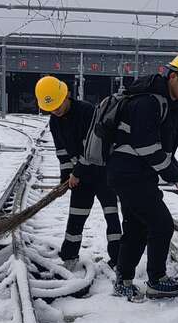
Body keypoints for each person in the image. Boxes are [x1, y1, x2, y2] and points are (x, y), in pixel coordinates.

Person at [107, 49, 178, 300]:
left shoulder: (165, 102)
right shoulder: (149, 102)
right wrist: (172, 175)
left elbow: (162, 149)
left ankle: (124, 280)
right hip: (130, 174)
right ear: (174, 76)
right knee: (161, 224)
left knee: (137, 227)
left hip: (133, 173)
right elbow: (146, 146)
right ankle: (157, 280)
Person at [35, 76, 122, 270]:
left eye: (58, 105)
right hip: (81, 176)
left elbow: (93, 149)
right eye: (51, 108)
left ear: (66, 95)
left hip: (104, 172)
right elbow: (62, 152)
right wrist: (65, 179)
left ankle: (118, 259)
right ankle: (69, 256)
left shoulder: (87, 112)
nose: (55, 111)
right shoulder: (55, 121)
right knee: (76, 216)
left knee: (111, 215)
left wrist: (76, 172)